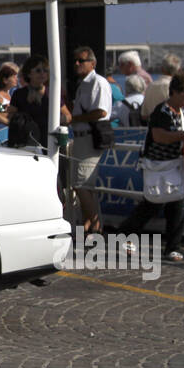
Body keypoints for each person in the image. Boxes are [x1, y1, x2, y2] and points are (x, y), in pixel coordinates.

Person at [118, 71, 184, 262]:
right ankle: (126, 234)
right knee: (153, 203)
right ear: (175, 92)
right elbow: (158, 136)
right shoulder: (162, 112)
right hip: (159, 165)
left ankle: (172, 247)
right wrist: (183, 135)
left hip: (175, 165)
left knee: (176, 205)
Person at [69, 46, 111, 235]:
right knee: (83, 185)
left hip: (89, 138)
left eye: (81, 60)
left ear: (92, 63)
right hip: (80, 138)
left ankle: (95, 228)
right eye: (75, 60)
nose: (76, 63)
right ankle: (88, 225)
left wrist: (73, 119)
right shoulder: (84, 84)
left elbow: (101, 112)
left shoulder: (98, 82)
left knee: (82, 184)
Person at [7, 54, 68, 147]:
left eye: (45, 70)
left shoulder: (53, 92)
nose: (42, 74)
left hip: (49, 141)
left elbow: (68, 115)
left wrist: (56, 119)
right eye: (38, 70)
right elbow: (10, 116)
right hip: (26, 142)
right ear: (28, 73)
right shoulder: (19, 94)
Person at [140, 54, 182, 121]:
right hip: (173, 129)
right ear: (179, 70)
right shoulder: (177, 88)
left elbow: (144, 115)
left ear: (162, 69)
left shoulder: (150, 86)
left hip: (152, 128)